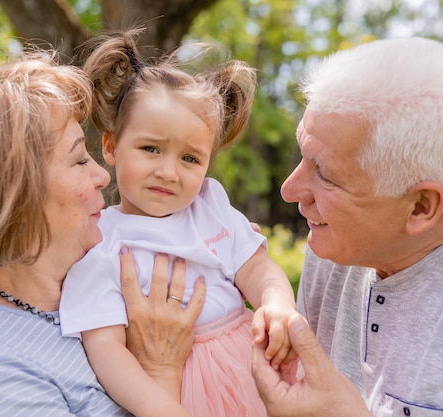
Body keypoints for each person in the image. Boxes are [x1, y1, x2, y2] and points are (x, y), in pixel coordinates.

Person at [0, 49, 208, 417]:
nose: (102, 175)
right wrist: (162, 370)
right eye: (80, 159)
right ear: (14, 196)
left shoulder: (90, 280)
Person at [59, 29, 296, 417]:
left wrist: (278, 304)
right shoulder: (101, 241)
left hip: (251, 370)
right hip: (178, 391)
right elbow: (106, 349)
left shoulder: (210, 206)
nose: (169, 172)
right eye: (151, 149)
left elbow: (256, 267)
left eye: (190, 159)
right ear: (111, 147)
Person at [251, 37, 443, 417]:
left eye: (325, 175)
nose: (290, 190)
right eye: (302, 156)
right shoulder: (336, 245)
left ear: (421, 207)